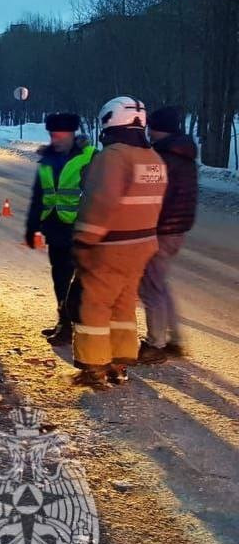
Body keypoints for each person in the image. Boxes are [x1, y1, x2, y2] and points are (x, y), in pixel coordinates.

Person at [70, 96, 166, 390]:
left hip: (110, 247)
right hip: (143, 244)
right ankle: (120, 360)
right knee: (124, 303)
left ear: (110, 122)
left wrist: (84, 240)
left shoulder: (112, 157)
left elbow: (100, 204)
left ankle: (94, 366)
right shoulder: (153, 159)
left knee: (95, 304)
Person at [23, 113, 94, 344]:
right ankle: (64, 323)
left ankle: (83, 325)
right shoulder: (47, 160)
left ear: (73, 134)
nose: (57, 139)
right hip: (55, 229)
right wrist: (32, 227)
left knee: (82, 281)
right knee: (60, 278)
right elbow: (39, 196)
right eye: (54, 134)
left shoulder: (90, 157)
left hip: (81, 228)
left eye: (62, 134)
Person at [137, 106, 198, 363]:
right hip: (178, 228)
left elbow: (149, 195)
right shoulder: (185, 154)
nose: (149, 132)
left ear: (160, 129)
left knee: (151, 287)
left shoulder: (160, 157)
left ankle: (156, 344)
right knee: (160, 284)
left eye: (152, 127)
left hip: (161, 229)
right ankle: (174, 340)